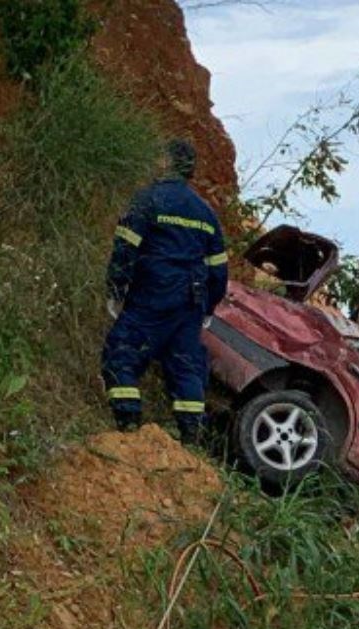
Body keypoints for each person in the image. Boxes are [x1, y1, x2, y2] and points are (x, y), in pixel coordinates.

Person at [100, 139, 228, 445]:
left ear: (167, 163)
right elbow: (219, 270)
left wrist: (116, 290)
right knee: (185, 366)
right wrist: (209, 306)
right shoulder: (206, 213)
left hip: (152, 296)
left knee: (121, 354)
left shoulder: (148, 200)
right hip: (190, 304)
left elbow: (125, 248)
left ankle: (129, 425)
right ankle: (191, 437)